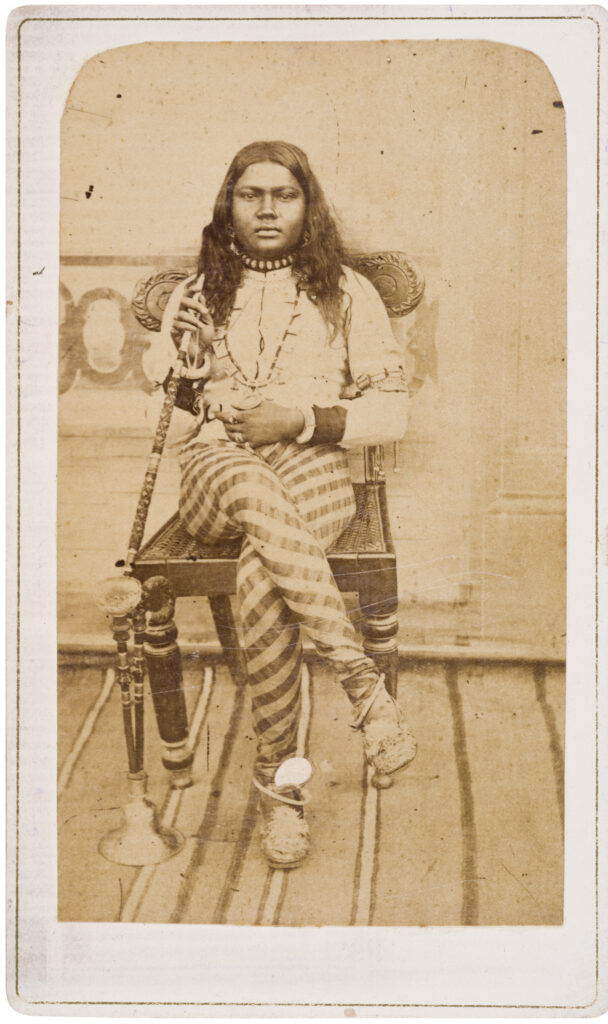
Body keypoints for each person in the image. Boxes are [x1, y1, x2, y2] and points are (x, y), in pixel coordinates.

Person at [148, 140, 416, 869]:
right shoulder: (196, 294)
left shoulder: (347, 292)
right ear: (228, 205)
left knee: (262, 577)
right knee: (246, 482)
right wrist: (190, 374)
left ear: (308, 206)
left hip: (312, 466)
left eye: (284, 195)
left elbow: (393, 412)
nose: (267, 209)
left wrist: (298, 420)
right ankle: (362, 685)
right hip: (216, 473)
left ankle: (279, 788)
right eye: (251, 194)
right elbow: (161, 421)